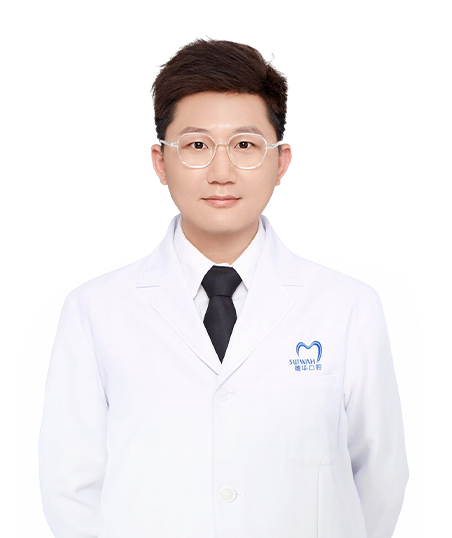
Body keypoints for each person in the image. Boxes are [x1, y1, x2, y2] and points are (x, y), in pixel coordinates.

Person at [38, 37, 409, 538]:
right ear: (159, 162)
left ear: (282, 161)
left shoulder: (347, 307)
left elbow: (380, 477)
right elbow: (71, 486)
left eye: (245, 146)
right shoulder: (95, 312)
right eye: (196, 146)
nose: (221, 173)